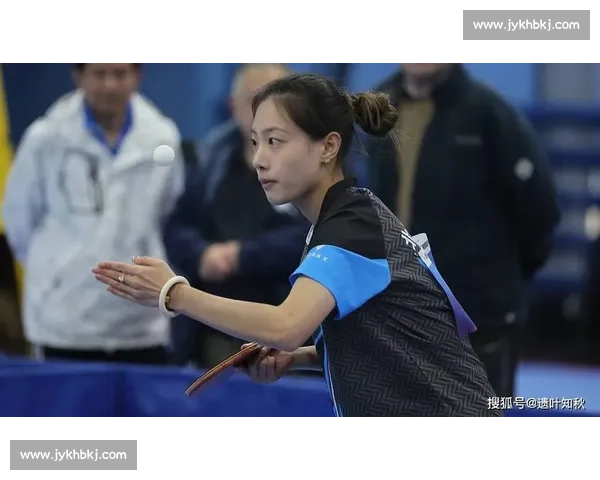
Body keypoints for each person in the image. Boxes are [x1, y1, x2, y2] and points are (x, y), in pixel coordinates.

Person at [92, 73, 500, 417]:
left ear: (328, 147)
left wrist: (174, 293)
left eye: (275, 141)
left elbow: (285, 326)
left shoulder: (351, 229)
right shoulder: (347, 216)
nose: (259, 159)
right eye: (255, 142)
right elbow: (387, 336)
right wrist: (303, 356)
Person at [357, 61, 560, 399]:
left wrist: (496, 280)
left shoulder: (489, 113)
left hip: (478, 316)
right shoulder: (377, 106)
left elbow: (539, 209)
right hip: (395, 308)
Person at [3, 61, 183, 365]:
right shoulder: (45, 138)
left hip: (140, 323)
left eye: (120, 74)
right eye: (99, 74)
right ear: (78, 76)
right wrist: (60, 270)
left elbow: (167, 208)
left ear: (137, 76)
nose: (110, 85)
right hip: (63, 322)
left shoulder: (163, 138)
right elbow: (20, 219)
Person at [164, 63, 310, 367]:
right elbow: (176, 226)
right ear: (233, 107)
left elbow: (315, 233)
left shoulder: (310, 164)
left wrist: (241, 255)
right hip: (211, 329)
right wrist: (202, 255)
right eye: (255, 101)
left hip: (285, 327)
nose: (265, 112)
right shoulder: (208, 160)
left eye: (277, 101)